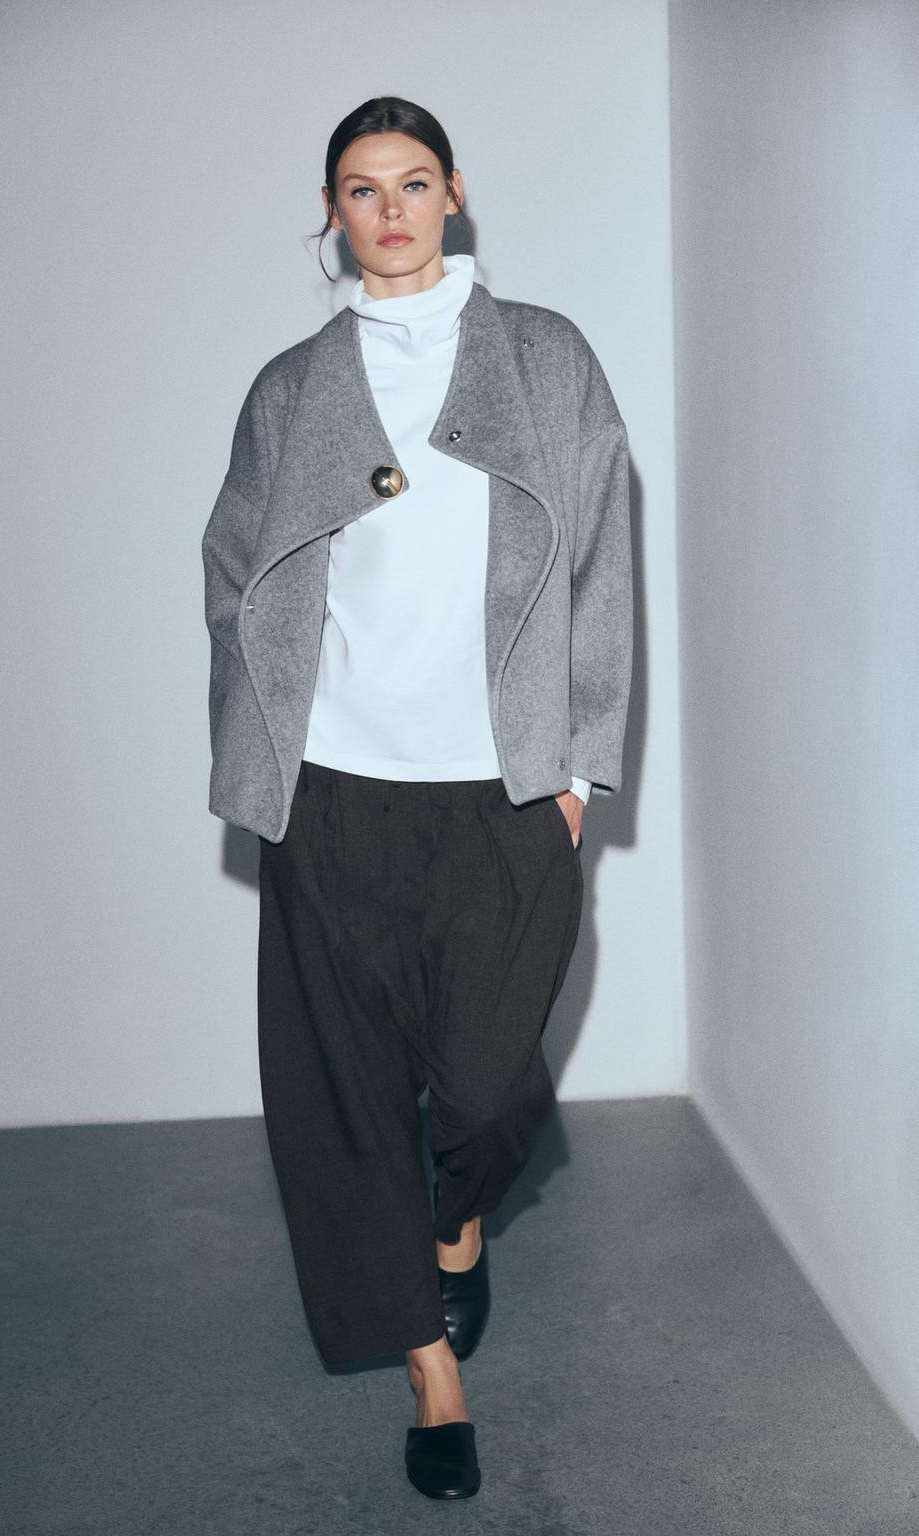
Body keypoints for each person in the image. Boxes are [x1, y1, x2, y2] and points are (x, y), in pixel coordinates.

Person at [201, 96, 633, 1500]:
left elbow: (599, 563)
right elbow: (234, 576)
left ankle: (451, 1231)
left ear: (454, 193)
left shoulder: (546, 359)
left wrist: (575, 771)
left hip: (501, 788)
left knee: (491, 1083)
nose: (388, 210)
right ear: (332, 214)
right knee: (345, 1092)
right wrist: (260, 750)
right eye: (359, 187)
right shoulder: (291, 388)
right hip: (335, 787)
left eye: (411, 181)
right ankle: (430, 1367)